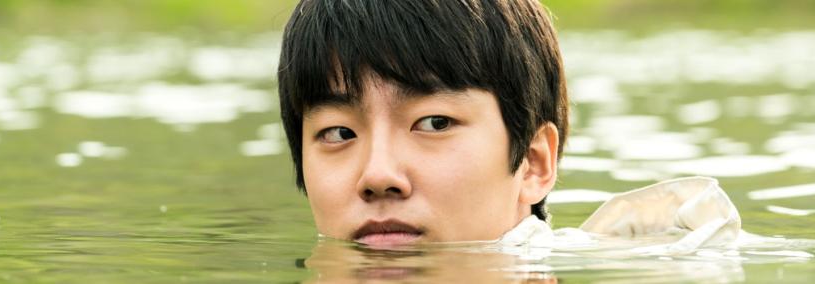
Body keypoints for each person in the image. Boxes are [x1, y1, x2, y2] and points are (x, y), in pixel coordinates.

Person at [276, 0, 741, 250]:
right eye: (339, 133)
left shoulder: (682, 251)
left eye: (434, 122)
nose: (377, 176)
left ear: (534, 164)